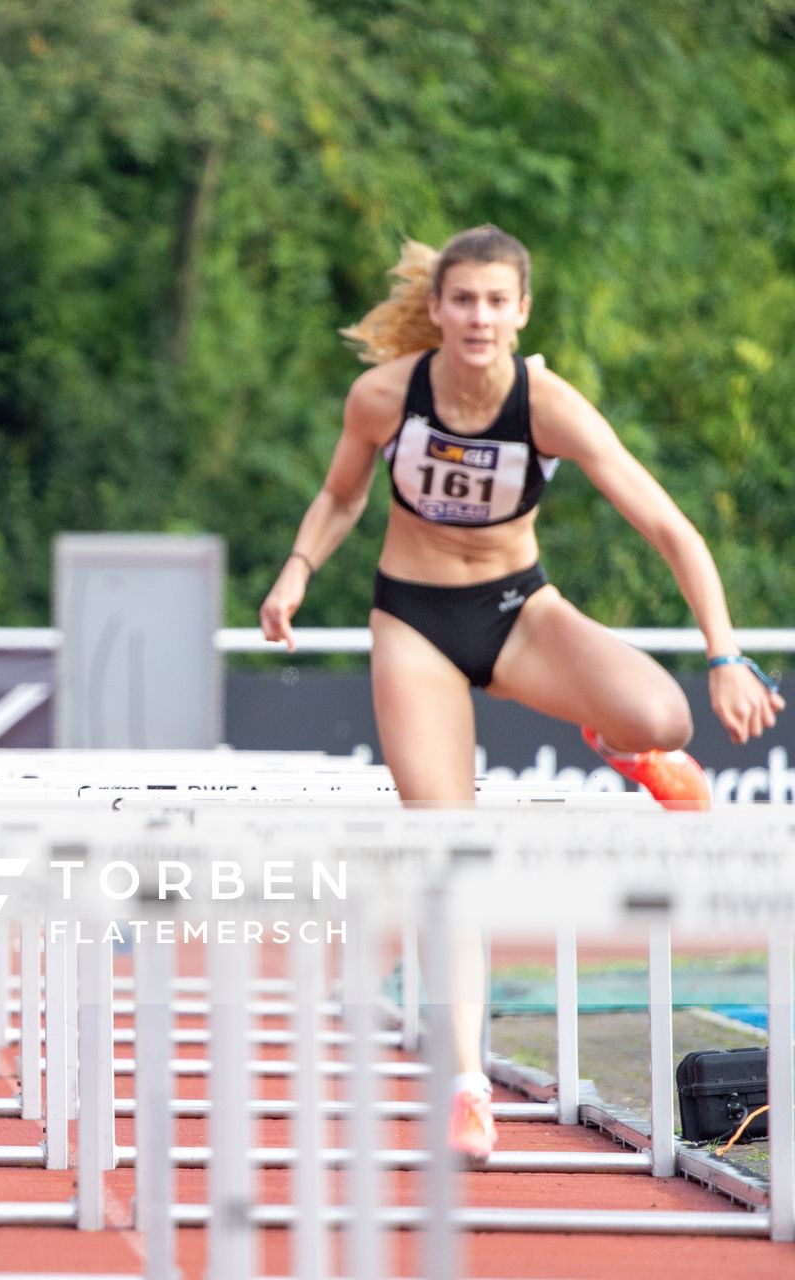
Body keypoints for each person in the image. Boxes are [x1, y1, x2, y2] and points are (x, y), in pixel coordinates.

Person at [259, 224, 784, 1158]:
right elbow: (341, 497)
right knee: (451, 853)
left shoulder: (549, 406)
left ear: (522, 312)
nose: (479, 317)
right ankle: (467, 1083)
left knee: (665, 714)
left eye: (498, 301)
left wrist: (725, 655)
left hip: (519, 612)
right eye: (463, 299)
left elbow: (668, 524)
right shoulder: (386, 396)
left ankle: (621, 743)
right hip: (415, 622)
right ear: (438, 309)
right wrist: (298, 570)